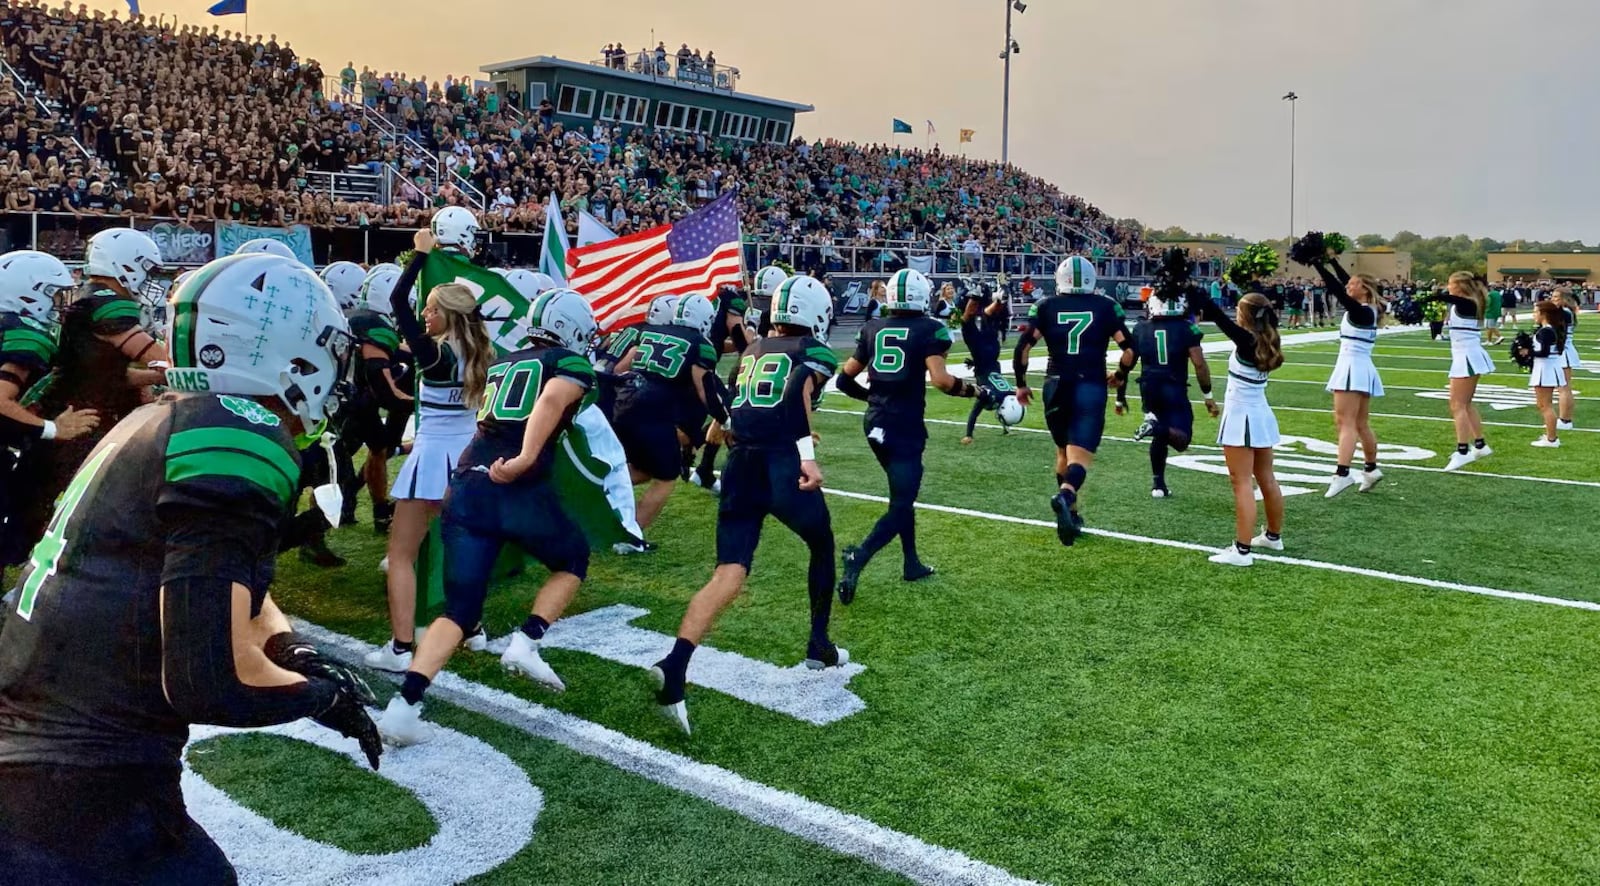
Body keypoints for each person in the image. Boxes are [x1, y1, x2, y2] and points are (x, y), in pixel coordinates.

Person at [0, 253, 380, 881]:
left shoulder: (167, 415)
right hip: (75, 784)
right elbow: (210, 678)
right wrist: (322, 697)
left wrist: (292, 649)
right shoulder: (241, 430)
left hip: (46, 743)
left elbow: (221, 579)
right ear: (289, 353)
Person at [377, 290, 600, 744]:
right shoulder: (566, 364)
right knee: (573, 558)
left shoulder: (505, 361)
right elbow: (551, 402)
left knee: (458, 611)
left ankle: (404, 706)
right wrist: (524, 457)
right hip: (514, 486)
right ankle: (527, 641)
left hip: (468, 482)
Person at [650, 276, 845, 735]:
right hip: (779, 465)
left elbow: (735, 416)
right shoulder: (812, 352)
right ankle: (819, 643)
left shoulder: (750, 351)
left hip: (740, 464)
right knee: (822, 544)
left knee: (728, 573)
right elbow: (797, 394)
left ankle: (677, 662)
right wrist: (807, 457)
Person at [365, 225, 494, 673]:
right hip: (468, 458)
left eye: (432, 309)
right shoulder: (477, 350)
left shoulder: (437, 356)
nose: (424, 313)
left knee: (402, 556)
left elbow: (398, 301)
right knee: (460, 549)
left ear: (447, 315)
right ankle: (472, 628)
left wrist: (419, 255)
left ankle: (402, 648)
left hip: (433, 458)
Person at [5, 229, 169, 566]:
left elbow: (104, 372)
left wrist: (156, 375)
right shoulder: (109, 304)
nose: (151, 279)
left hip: (73, 410)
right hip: (76, 420)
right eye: (147, 269)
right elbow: (154, 354)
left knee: (33, 507)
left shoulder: (87, 299)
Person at [835, 269, 977, 603]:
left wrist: (872, 399)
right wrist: (974, 392)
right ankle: (860, 555)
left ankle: (911, 562)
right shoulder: (929, 329)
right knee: (902, 503)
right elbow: (941, 381)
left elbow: (843, 381)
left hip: (874, 424)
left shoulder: (872, 328)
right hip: (904, 426)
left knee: (901, 496)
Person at [1011, 255, 1130, 546]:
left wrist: (1022, 385)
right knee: (1080, 457)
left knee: (1063, 450)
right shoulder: (1106, 306)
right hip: (1089, 384)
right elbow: (1129, 350)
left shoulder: (1045, 306)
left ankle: (1072, 514)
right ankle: (1065, 496)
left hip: (1055, 384)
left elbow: (1023, 348)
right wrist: (1120, 374)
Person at [0, 251, 101, 555]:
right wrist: (53, 429)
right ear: (29, 294)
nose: (60, 304)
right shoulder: (26, 336)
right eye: (53, 294)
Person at [611, 293, 723, 546]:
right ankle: (629, 537)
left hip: (624, 403)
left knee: (642, 469)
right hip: (653, 412)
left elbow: (619, 369)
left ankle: (594, 498)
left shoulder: (651, 333)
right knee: (667, 476)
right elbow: (705, 389)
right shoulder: (700, 343)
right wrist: (723, 418)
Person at [1190, 286, 1286, 566]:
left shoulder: (1247, 340)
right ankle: (1273, 536)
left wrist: (1197, 295)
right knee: (1267, 478)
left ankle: (1242, 550)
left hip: (1242, 417)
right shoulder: (1269, 337)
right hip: (1261, 415)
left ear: (1245, 315)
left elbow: (1219, 318)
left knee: (1241, 482)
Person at [1113, 249, 1216, 499]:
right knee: (1182, 439)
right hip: (1173, 385)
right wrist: (1208, 395)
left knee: (1159, 428)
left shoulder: (1140, 328)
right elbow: (1199, 364)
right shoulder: (1186, 327)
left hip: (1148, 386)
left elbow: (1126, 362)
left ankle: (1158, 484)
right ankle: (1155, 431)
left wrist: (1120, 396)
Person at [1294, 234, 1387, 497]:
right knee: (1360, 423)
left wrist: (1317, 264)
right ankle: (1370, 469)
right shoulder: (1367, 308)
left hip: (1352, 368)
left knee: (1345, 422)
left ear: (1365, 289)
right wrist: (1333, 260)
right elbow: (1344, 282)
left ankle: (1342, 473)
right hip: (1361, 368)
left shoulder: (1361, 310)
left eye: (1355, 283)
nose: (1349, 285)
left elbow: (1336, 288)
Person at [692, 266, 784, 492]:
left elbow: (729, 343)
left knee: (724, 415)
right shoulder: (753, 308)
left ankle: (703, 467)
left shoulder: (727, 300)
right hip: (756, 368)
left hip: (736, 366)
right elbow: (746, 344)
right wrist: (751, 327)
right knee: (738, 420)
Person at [1416, 273, 1495, 471]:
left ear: (1459, 286)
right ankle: (1480, 444)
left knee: (1457, 405)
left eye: (1450, 284)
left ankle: (1462, 451)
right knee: (1465, 404)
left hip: (1467, 357)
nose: (1447, 287)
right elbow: (1447, 297)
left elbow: (1446, 297)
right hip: (1467, 355)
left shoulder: (1467, 302)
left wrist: (1427, 297)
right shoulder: (1468, 301)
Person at [960, 279, 1020, 443]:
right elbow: (975, 412)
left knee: (987, 316)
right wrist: (969, 434)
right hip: (982, 355)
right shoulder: (992, 397)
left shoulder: (1010, 392)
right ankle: (974, 295)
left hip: (993, 353)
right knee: (967, 322)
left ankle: (997, 300)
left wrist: (975, 363)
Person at [1519, 299, 1569, 448]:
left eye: (1535, 312)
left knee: (1545, 405)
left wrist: (1528, 352)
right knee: (1543, 404)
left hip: (1545, 369)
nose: (1534, 315)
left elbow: (1544, 352)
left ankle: (1552, 439)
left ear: (1543, 314)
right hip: (1547, 367)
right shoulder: (1549, 329)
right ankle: (1550, 436)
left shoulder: (1546, 331)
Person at [1551, 289, 1581, 430]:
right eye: (1553, 296)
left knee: (1564, 389)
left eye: (1556, 297)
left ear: (1564, 299)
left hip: (1564, 352)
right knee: (1563, 388)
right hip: (1564, 351)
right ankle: (1565, 419)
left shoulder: (1564, 312)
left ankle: (1565, 420)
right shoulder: (1566, 311)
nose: (1553, 299)